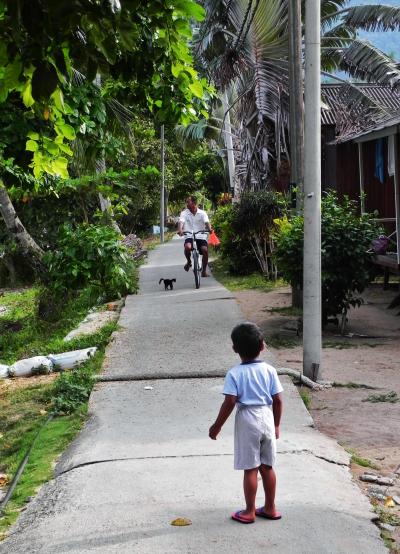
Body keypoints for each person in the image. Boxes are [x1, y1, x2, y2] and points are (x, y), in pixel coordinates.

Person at [209, 321, 283, 524]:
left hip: (247, 419)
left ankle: (249, 511)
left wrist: (217, 426)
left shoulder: (234, 373)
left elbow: (230, 402)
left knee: (250, 468)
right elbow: (277, 400)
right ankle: (270, 507)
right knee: (267, 466)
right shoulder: (270, 370)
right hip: (266, 417)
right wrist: (276, 425)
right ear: (263, 346)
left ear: (234, 349)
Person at [177, 196, 212, 277]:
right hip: (189, 235)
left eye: (188, 202)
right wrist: (180, 230)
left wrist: (209, 229)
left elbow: (207, 222)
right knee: (187, 247)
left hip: (201, 236)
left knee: (205, 250)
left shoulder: (202, 213)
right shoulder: (184, 213)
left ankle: (204, 271)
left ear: (194, 203)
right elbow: (181, 222)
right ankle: (189, 262)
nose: (187, 204)